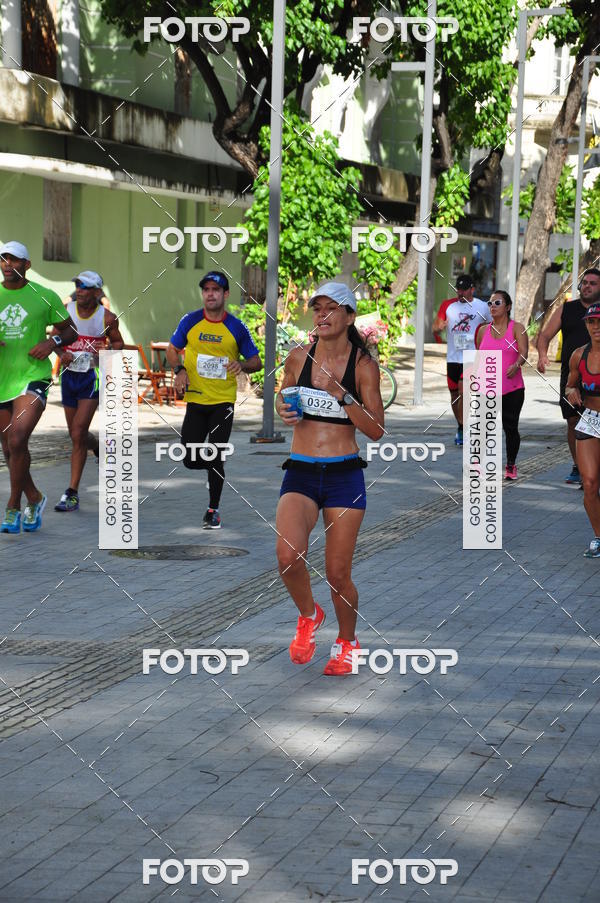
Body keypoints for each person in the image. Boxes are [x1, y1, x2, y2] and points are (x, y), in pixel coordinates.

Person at [275, 282, 384, 676]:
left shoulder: (362, 365)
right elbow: (282, 395)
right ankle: (309, 615)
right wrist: (283, 409)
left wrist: (344, 395)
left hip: (343, 475)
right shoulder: (299, 356)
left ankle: (348, 641)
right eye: (316, 308)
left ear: (349, 316)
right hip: (301, 470)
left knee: (337, 573)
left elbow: (375, 429)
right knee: (288, 558)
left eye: (331, 308)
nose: (321, 315)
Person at [166, 271, 261, 529]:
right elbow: (172, 350)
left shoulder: (236, 327)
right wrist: (180, 371)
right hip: (196, 401)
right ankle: (215, 469)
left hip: (223, 402)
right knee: (189, 457)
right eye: (206, 289)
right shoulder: (191, 321)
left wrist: (240, 364)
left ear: (225, 294)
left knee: (216, 454)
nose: (210, 294)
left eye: (215, 290)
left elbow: (256, 361)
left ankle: (213, 509)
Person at [0, 241, 77, 533]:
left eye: (14, 260)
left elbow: (70, 330)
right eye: (3, 260)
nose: (8, 265)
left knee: (18, 440)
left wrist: (52, 342)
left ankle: (12, 507)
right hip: (1, 378)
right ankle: (34, 497)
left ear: (26, 265)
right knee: (9, 448)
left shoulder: (44, 295)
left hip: (34, 376)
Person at [53, 271, 124, 512]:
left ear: (96, 292)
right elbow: (55, 339)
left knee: (78, 430)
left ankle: (71, 492)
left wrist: (100, 355)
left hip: (91, 378)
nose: (80, 290)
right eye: (77, 285)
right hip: (69, 377)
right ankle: (97, 446)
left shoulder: (107, 318)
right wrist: (61, 354)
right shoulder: (66, 312)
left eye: (85, 287)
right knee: (77, 435)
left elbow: (118, 344)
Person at [537, 268, 600, 486]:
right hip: (572, 373)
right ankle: (580, 466)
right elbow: (544, 335)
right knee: (573, 420)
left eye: (593, 283)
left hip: (597, 374)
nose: (587, 286)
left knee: (593, 419)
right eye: (585, 282)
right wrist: (542, 355)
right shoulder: (568, 309)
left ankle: (592, 469)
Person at [432, 274, 491, 446]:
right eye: (458, 289)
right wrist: (439, 327)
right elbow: (435, 326)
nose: (460, 293)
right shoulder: (448, 305)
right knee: (454, 395)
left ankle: (465, 428)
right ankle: (460, 426)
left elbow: (492, 326)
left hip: (472, 356)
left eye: (464, 289)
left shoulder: (482, 306)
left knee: (463, 390)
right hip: (453, 357)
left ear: (472, 289)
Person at [475, 290, 528, 479]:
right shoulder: (483, 330)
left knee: (510, 427)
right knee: (482, 426)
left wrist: (516, 364)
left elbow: (524, 352)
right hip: (487, 387)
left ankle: (511, 465)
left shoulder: (517, 328)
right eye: (490, 303)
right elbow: (479, 356)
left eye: (497, 303)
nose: (492, 307)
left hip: (512, 388)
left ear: (508, 307)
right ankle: (477, 465)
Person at [564, 302, 600, 557]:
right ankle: (599, 537)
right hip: (591, 419)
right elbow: (569, 385)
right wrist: (572, 391)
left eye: (599, 321)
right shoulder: (579, 354)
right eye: (591, 322)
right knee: (589, 483)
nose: (596, 326)